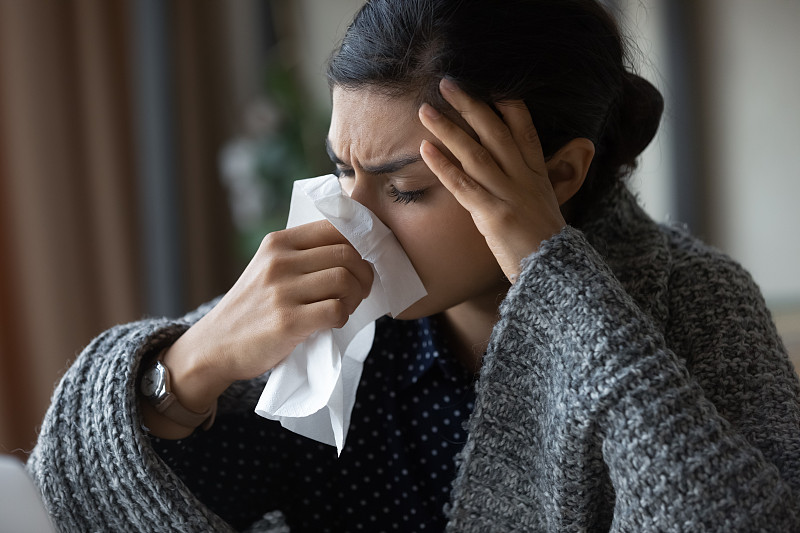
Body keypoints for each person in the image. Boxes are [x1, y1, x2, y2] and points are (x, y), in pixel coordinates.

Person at [27, 0, 800, 531]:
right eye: (341, 169)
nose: (355, 216)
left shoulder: (695, 302)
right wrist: (191, 362)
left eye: (405, 187)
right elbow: (70, 495)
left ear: (559, 176)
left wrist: (555, 278)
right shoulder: (328, 317)